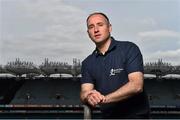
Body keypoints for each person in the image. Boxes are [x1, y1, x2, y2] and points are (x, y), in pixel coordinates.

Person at [80, 12, 150, 119]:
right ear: (88, 32)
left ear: (109, 28)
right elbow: (85, 91)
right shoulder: (87, 63)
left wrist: (104, 99)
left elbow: (136, 86)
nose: (96, 30)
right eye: (91, 27)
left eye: (100, 24)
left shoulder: (129, 49)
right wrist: (89, 96)